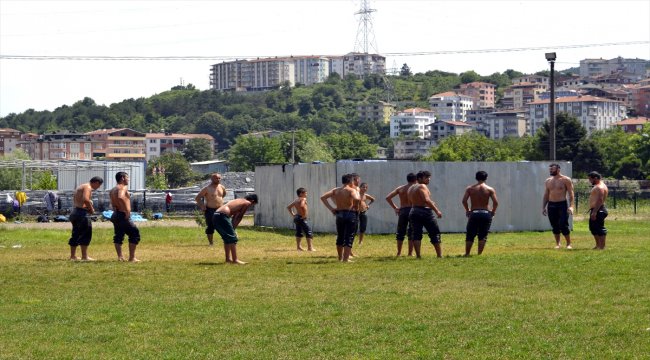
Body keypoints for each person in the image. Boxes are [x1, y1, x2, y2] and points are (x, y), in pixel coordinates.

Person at [320, 174, 361, 262]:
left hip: (339, 214)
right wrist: (356, 206)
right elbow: (357, 199)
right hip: (350, 213)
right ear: (350, 181)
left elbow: (323, 197)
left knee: (340, 236)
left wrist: (331, 209)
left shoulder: (336, 190)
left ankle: (340, 258)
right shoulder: (351, 190)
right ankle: (346, 259)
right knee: (349, 236)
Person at [213, 194, 258, 264]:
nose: (250, 206)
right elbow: (239, 217)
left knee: (227, 238)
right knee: (232, 238)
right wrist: (233, 231)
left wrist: (233, 228)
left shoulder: (238, 201)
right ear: (252, 201)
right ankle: (235, 260)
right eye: (252, 205)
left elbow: (235, 217)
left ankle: (228, 259)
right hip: (223, 215)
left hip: (216, 215)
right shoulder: (247, 203)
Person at [462, 171, 498, 256]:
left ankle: (467, 253)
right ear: (486, 178)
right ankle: (479, 254)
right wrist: (493, 212)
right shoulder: (490, 189)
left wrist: (467, 210)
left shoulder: (470, 188)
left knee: (470, 234)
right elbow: (496, 203)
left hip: (474, 213)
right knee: (483, 234)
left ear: (476, 177)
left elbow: (464, 201)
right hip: (485, 213)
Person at [407, 171, 443, 258]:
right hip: (424, 212)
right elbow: (426, 200)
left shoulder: (411, 188)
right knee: (434, 232)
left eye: (429, 177)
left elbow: (413, 201)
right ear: (419, 178)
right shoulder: (422, 186)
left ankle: (418, 255)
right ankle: (439, 255)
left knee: (416, 234)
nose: (429, 179)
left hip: (414, 210)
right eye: (426, 177)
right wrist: (437, 210)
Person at [68, 176, 103, 261]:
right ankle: (84, 256)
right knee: (85, 233)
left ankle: (73, 256)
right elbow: (86, 199)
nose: (98, 188)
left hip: (75, 211)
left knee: (75, 234)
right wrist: (91, 209)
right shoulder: (88, 187)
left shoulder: (81, 186)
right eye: (99, 185)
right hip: (82, 213)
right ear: (96, 182)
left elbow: (77, 200)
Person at [109, 172, 141, 262]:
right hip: (123, 214)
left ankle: (120, 257)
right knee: (134, 234)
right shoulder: (122, 187)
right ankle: (132, 258)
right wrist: (127, 210)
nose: (128, 179)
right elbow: (121, 197)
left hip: (116, 214)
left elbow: (112, 201)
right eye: (127, 177)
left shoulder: (113, 189)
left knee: (118, 235)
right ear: (123, 178)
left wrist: (116, 207)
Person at [542, 163, 575, 249]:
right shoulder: (548, 181)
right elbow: (546, 195)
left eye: (552, 169)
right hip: (551, 205)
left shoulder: (566, 180)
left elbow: (571, 194)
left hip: (562, 204)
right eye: (550, 169)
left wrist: (571, 206)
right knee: (554, 225)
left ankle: (568, 244)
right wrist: (543, 207)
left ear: (558, 169)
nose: (551, 171)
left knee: (563, 224)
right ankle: (558, 244)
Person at [385, 173, 417, 256]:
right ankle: (410, 253)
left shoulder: (401, 188)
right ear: (415, 180)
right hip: (412, 209)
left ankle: (399, 253)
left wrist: (395, 207)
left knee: (400, 232)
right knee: (412, 231)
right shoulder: (415, 188)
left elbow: (388, 197)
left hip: (403, 210)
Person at [195, 173, 227, 246]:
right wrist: (202, 206)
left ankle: (226, 240)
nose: (218, 179)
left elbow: (223, 195)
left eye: (219, 178)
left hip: (221, 209)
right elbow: (197, 198)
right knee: (210, 226)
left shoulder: (222, 187)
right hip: (210, 210)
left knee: (224, 225)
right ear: (212, 179)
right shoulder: (207, 188)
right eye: (216, 178)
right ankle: (211, 243)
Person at [588, 171, 609, 250]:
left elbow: (600, 200)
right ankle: (598, 245)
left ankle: (602, 246)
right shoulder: (599, 185)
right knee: (593, 228)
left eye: (590, 179)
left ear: (596, 178)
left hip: (598, 209)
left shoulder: (600, 187)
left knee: (599, 228)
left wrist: (595, 212)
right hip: (596, 209)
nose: (590, 181)